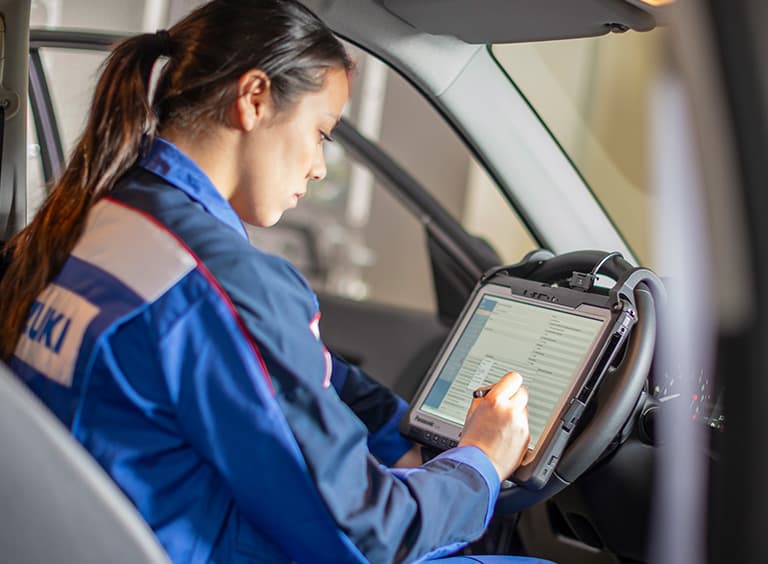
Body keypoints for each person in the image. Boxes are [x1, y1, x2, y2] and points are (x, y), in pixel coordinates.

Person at [0, 1, 532, 562]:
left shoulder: (84, 221)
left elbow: (293, 375)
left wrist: (408, 436)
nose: (320, 166)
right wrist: (480, 461)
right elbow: (369, 534)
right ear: (253, 98)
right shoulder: (217, 285)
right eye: (321, 132)